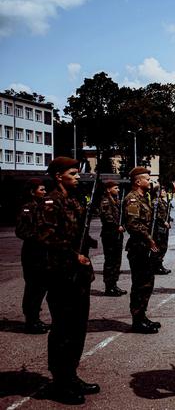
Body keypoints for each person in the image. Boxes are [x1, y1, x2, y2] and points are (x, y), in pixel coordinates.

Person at [36, 157, 99, 404]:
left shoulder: (74, 199)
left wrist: (86, 246)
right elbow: (45, 237)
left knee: (77, 328)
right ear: (58, 175)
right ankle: (60, 382)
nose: (78, 177)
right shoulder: (51, 202)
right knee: (63, 330)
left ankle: (71, 375)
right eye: (73, 173)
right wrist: (75, 255)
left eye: (78, 172)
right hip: (61, 273)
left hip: (78, 274)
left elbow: (76, 232)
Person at [124, 167, 160, 334]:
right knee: (140, 284)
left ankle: (142, 317)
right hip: (138, 247)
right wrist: (148, 238)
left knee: (147, 283)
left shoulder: (144, 198)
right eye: (147, 178)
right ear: (138, 182)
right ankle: (137, 321)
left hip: (144, 246)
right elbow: (133, 224)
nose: (150, 181)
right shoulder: (132, 199)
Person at [15, 178, 50, 333]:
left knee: (41, 287)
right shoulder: (27, 208)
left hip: (43, 253)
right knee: (33, 288)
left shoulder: (43, 207)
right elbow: (21, 231)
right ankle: (31, 321)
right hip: (32, 253)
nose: (44, 192)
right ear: (32, 191)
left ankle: (35, 318)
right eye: (41, 189)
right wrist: (40, 236)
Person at [99, 180, 127, 296]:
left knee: (117, 261)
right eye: (115, 188)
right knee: (110, 261)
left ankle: (114, 285)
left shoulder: (116, 201)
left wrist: (123, 225)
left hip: (117, 234)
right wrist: (117, 226)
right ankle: (109, 287)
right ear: (108, 189)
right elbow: (107, 217)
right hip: (109, 234)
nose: (118, 190)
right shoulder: (105, 201)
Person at [151, 186, 173, 275]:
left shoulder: (164, 201)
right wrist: (163, 221)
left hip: (164, 227)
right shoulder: (155, 201)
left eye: (164, 190)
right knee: (159, 246)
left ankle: (159, 264)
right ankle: (156, 266)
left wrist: (169, 220)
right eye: (161, 190)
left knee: (163, 246)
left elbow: (166, 213)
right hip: (158, 227)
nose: (164, 192)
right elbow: (155, 214)